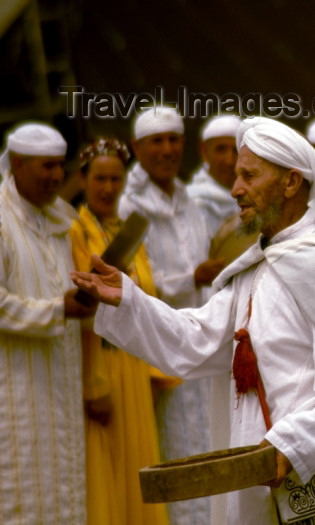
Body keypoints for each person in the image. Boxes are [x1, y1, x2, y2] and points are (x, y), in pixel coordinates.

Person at [71, 116, 315, 525]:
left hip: (314, 488)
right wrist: (128, 299)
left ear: (291, 183)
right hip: (262, 482)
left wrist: (288, 446)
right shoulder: (254, 269)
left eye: (249, 176)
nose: (235, 188)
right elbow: (193, 342)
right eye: (237, 176)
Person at [123, 106, 223, 524]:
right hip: (160, 351)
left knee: (212, 446)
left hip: (203, 342)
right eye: (156, 141)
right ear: (137, 148)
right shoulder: (128, 207)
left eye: (173, 140)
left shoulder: (192, 203)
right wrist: (191, 277)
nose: (166, 150)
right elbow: (133, 283)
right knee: (175, 448)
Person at [69, 138, 172, 525]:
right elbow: (81, 313)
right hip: (102, 366)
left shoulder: (126, 231)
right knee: (107, 474)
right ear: (82, 179)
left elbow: (148, 299)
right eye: (99, 179)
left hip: (133, 366)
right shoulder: (76, 232)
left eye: (115, 179)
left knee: (139, 467)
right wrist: (92, 383)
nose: (108, 188)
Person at [0, 122, 95, 523]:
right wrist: (58, 310)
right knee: (20, 488)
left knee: (66, 488)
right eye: (47, 166)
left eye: (61, 166)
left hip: (62, 376)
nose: (57, 176)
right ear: (18, 164)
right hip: (17, 385)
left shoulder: (59, 218)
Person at [187, 115, 242, 241]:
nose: (229, 161)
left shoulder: (254, 199)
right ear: (205, 151)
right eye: (221, 149)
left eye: (236, 150)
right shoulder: (191, 202)